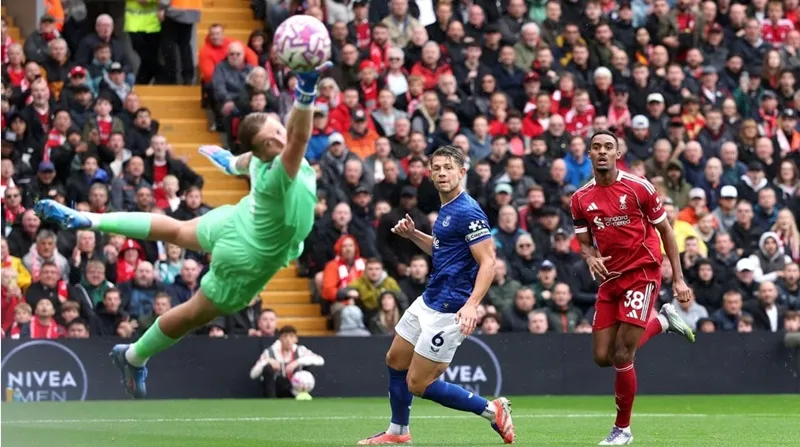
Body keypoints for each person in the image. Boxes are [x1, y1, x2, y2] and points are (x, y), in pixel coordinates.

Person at [34, 61, 333, 399]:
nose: (280, 136)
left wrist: (230, 162)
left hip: (238, 219)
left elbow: (255, 154)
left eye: (277, 130)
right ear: (263, 149)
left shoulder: (262, 159)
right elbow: (299, 136)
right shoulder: (281, 170)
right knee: (193, 314)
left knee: (175, 230)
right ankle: (133, 356)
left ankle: (92, 220)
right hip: (248, 255)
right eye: (271, 138)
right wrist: (306, 92)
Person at [357, 145, 514, 445]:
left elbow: (489, 262)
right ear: (430, 173)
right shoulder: (447, 207)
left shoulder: (468, 211)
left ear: (462, 172)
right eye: (437, 167)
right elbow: (444, 251)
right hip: (429, 299)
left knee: (418, 383)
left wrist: (471, 306)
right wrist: (414, 235)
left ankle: (492, 410)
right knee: (395, 360)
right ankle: (398, 433)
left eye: (448, 167)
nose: (442, 172)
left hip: (451, 308)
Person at [569, 130, 696, 445]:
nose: (602, 152)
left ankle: (622, 429)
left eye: (608, 147)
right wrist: (590, 258)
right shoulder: (580, 198)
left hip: (642, 271)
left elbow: (666, 231)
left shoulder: (640, 187)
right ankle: (663, 321)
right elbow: (584, 244)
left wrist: (677, 278)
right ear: (589, 153)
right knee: (602, 356)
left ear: (617, 153)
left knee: (623, 353)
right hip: (610, 278)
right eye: (596, 147)